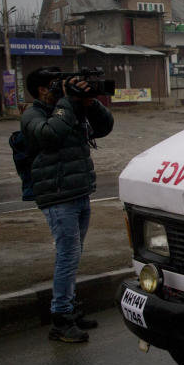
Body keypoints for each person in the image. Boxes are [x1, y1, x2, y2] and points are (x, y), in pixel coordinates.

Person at [21, 67, 114, 342]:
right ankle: (60, 319)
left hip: (79, 192)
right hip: (57, 196)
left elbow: (105, 127)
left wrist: (90, 102)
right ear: (41, 89)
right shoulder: (33, 114)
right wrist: (66, 102)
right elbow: (49, 135)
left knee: (73, 255)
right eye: (55, 84)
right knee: (67, 255)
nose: (63, 87)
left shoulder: (71, 108)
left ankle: (70, 309)